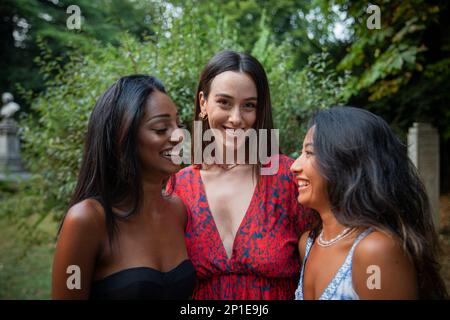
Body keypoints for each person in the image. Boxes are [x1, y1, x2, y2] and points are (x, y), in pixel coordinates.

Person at [167, 50, 313, 299]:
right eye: (224, 102)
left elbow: (323, 262)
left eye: (248, 106)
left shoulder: (287, 179)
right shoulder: (179, 186)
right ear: (203, 103)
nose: (236, 118)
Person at [52, 75, 196, 299]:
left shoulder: (178, 211)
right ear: (122, 136)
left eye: (178, 124)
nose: (178, 136)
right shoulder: (86, 220)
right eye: (161, 128)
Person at [290, 106, 448, 300]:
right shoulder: (308, 243)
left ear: (348, 164)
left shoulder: (375, 252)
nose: (294, 165)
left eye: (310, 153)